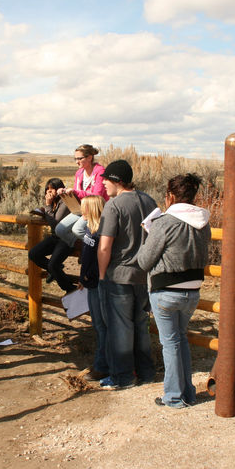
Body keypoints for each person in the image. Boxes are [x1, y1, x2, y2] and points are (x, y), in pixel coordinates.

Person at [136, 174, 211, 408]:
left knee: (170, 344)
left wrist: (148, 233)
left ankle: (174, 397)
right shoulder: (203, 222)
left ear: (170, 196)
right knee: (180, 341)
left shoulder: (164, 223)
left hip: (165, 291)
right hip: (193, 290)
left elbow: (144, 261)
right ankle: (186, 393)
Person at [97, 159, 157, 389]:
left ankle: (123, 377)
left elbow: (104, 246)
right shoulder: (149, 200)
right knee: (140, 325)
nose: (103, 185)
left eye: (106, 180)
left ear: (116, 180)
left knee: (120, 328)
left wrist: (102, 275)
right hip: (144, 275)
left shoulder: (114, 206)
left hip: (119, 275)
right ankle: (146, 372)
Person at [78, 195, 109, 382]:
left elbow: (100, 259)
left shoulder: (100, 233)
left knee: (101, 326)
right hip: (90, 282)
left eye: (84, 207)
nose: (81, 211)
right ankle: (101, 363)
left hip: (97, 284)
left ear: (92, 208)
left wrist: (91, 276)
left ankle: (102, 366)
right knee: (97, 325)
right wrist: (83, 277)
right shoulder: (91, 229)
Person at [28, 178, 77, 294]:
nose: (49, 192)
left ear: (59, 189)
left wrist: (47, 206)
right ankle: (56, 270)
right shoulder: (55, 202)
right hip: (56, 237)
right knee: (33, 254)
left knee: (53, 265)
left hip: (66, 238)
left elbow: (56, 223)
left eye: (52, 189)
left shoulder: (65, 201)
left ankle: (70, 288)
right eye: (47, 190)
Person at [55, 144, 109, 248]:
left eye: (80, 158)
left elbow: (97, 196)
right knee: (60, 230)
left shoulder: (100, 171)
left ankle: (98, 248)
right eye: (75, 158)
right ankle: (83, 248)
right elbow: (77, 193)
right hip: (81, 208)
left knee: (77, 229)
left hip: (95, 209)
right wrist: (65, 192)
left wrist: (76, 192)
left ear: (89, 157)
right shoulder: (79, 173)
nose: (77, 162)